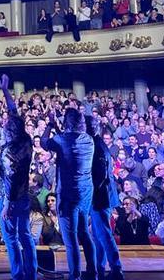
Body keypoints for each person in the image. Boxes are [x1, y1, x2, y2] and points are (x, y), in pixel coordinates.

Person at [42, 104, 96, 280]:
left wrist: (50, 125)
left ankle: (75, 276)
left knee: (70, 239)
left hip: (67, 195)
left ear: (66, 122)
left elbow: (44, 143)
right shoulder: (89, 139)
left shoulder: (61, 140)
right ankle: (93, 272)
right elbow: (66, 140)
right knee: (84, 233)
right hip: (86, 192)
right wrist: (58, 127)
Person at [0, 74, 38, 280]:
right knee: (25, 236)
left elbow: (9, 180)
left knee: (11, 238)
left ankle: (18, 275)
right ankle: (31, 274)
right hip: (24, 196)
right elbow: (13, 112)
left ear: (9, 133)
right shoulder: (27, 140)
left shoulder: (9, 153)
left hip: (10, 197)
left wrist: (6, 204)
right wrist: (5, 91)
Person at [86, 114, 123, 280]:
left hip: (101, 196)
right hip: (102, 195)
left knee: (104, 234)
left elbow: (100, 175)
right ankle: (98, 269)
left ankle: (116, 269)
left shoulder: (96, 146)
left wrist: (91, 195)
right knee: (98, 234)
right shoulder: (98, 143)